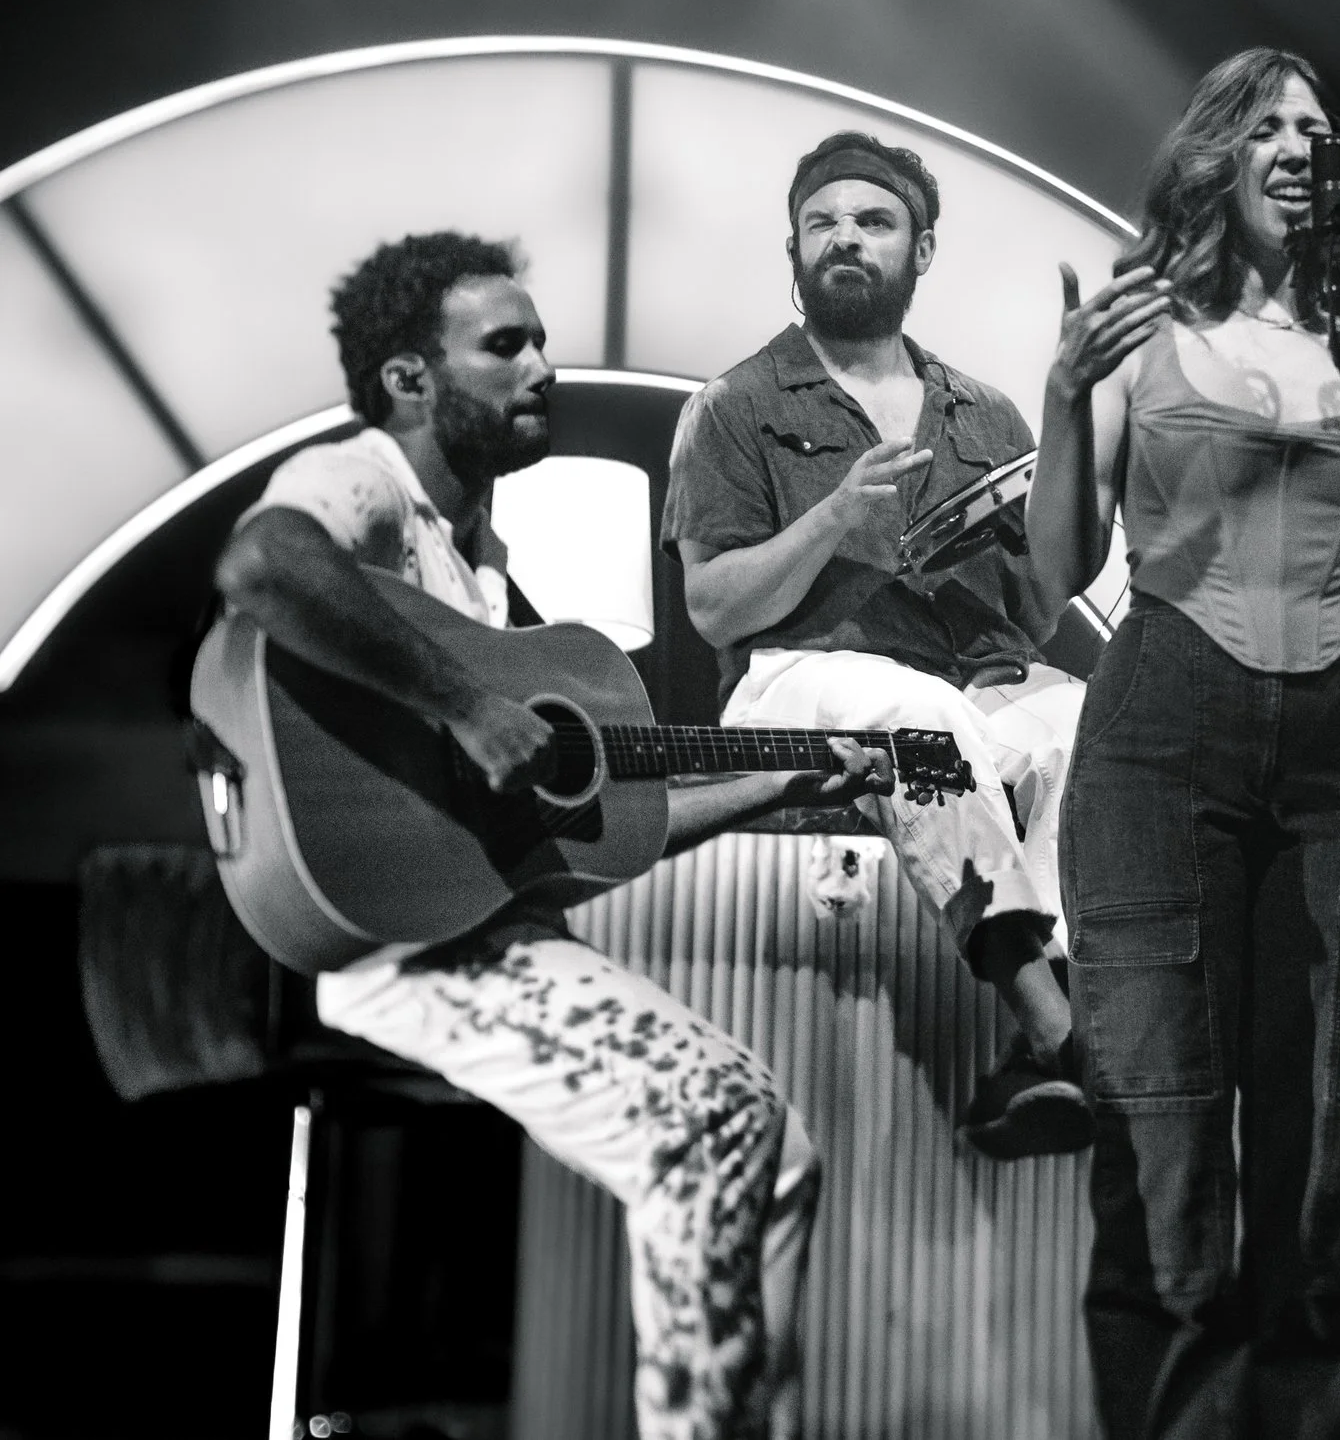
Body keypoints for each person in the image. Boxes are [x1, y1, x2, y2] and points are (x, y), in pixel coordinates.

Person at [212, 232, 870, 1440]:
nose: (541, 367)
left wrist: (798, 778)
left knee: (780, 1159)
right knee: (712, 1118)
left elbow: (608, 819)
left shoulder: (483, 577)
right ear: (412, 378)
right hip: (406, 949)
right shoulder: (365, 478)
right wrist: (463, 703)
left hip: (485, 928)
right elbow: (264, 562)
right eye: (504, 345)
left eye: (541, 343)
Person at [1026, 48, 1340, 1440]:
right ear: (1217, 152)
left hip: (1339, 739)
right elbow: (1057, 570)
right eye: (1267, 122)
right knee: (1163, 1126)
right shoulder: (1137, 326)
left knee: (1332, 1133)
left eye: (1318, 126)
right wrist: (1056, 396)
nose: (1296, 142)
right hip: (1166, 725)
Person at [662, 131, 1092, 1159]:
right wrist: (832, 521)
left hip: (970, 679)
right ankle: (1061, 1031)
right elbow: (714, 608)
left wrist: (1075, 418)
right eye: (823, 222)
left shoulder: (981, 410)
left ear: (922, 248)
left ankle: (1042, 1055)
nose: (844, 238)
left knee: (1088, 719)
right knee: (921, 718)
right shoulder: (734, 404)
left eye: (873, 220)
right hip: (796, 680)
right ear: (794, 252)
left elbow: (1034, 613)